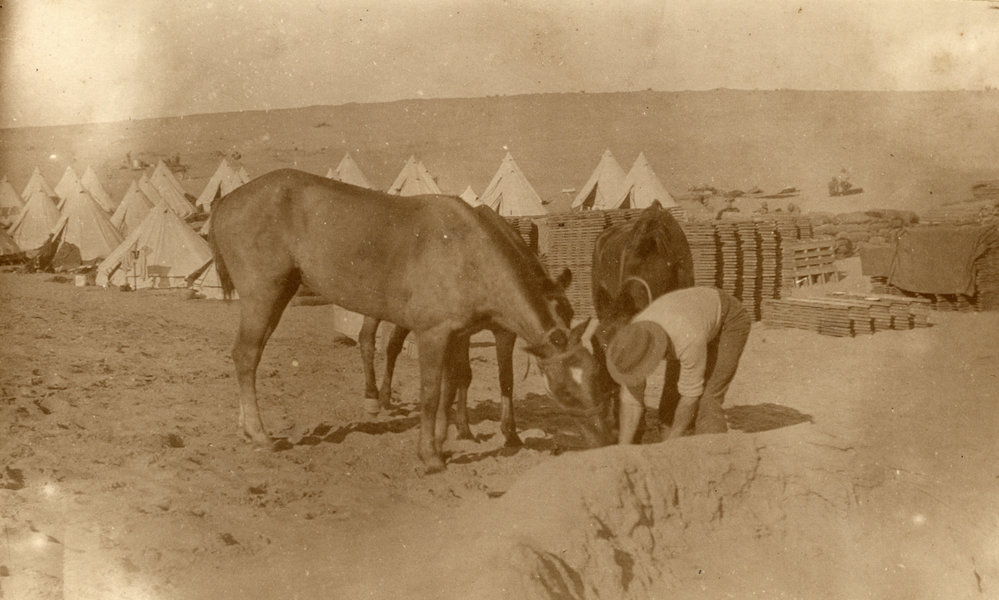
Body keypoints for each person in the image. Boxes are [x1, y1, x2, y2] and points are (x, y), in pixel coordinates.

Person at [604, 286, 751, 443]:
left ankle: (712, 450)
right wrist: (623, 447)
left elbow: (690, 395)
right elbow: (631, 400)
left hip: (728, 320)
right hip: (692, 318)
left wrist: (672, 444)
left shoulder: (686, 339)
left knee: (708, 399)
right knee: (672, 394)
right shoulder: (634, 336)